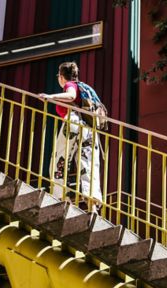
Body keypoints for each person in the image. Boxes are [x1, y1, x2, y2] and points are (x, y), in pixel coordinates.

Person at [38, 62, 102, 212]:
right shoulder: (83, 87)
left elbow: (71, 95)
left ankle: (62, 198)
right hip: (88, 129)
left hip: (73, 123)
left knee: (60, 158)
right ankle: (92, 206)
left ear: (61, 77)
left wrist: (50, 96)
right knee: (88, 164)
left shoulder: (70, 85)